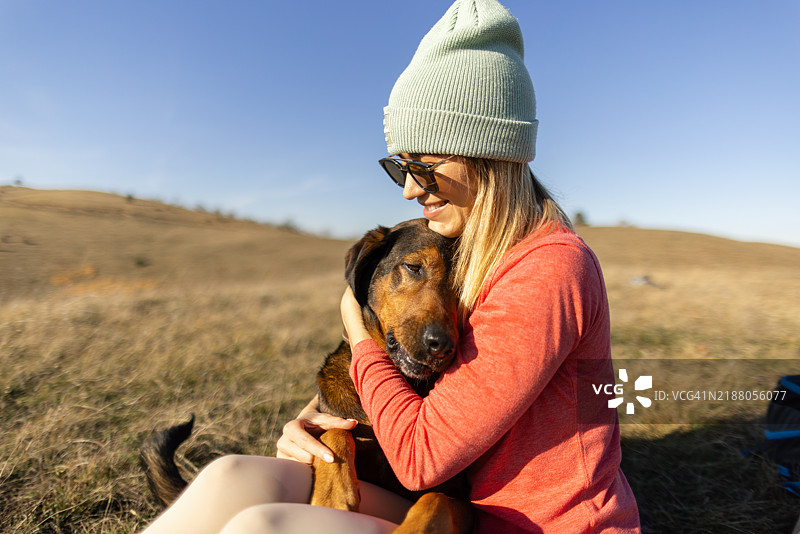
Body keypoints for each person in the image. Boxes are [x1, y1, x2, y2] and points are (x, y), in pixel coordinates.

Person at [140, 0, 641, 532]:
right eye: (401, 167)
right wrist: (322, 419)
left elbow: (424, 456)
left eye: (424, 165)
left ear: (488, 152)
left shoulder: (547, 270)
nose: (408, 189)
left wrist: (358, 340)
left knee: (262, 525)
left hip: (526, 527)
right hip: (450, 508)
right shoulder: (472, 252)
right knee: (230, 477)